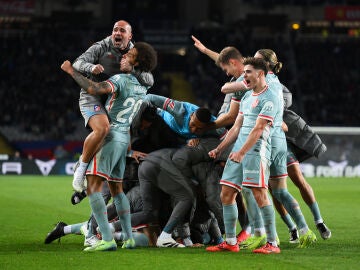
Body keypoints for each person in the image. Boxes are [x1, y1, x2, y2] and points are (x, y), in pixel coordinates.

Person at [60, 41, 157, 252]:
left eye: (129, 55)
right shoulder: (143, 86)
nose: (123, 57)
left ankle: (106, 239)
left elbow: (93, 88)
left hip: (111, 138)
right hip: (123, 140)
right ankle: (129, 238)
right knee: (117, 190)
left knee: (93, 189)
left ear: (137, 62)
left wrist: (70, 71)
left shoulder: (121, 80)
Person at [206, 57, 281, 254]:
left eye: (248, 72)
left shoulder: (270, 97)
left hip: (256, 151)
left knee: (259, 194)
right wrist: (221, 148)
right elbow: (237, 127)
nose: (244, 76)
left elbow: (258, 130)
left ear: (260, 73)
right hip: (238, 151)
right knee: (227, 193)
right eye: (244, 72)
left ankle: (272, 243)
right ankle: (231, 242)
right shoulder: (247, 96)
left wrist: (241, 152)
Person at [71, 20, 154, 192]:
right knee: (103, 129)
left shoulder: (135, 52)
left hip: (115, 98)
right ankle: (80, 169)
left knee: (116, 131)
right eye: (115, 30)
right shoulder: (101, 47)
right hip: (92, 96)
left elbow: (150, 79)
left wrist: (133, 70)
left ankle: (93, 172)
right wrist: (91, 67)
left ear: (129, 36)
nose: (117, 33)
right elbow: (77, 63)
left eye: (122, 31)